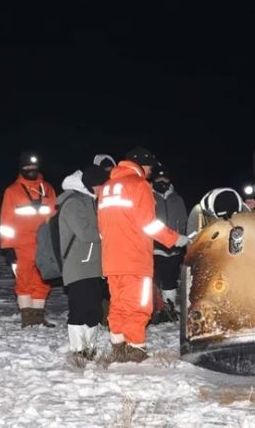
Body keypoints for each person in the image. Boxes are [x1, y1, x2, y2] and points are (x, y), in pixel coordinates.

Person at [98, 147, 188, 362]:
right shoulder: (139, 185)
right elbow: (148, 224)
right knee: (138, 306)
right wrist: (175, 239)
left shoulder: (107, 188)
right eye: (149, 167)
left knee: (118, 305)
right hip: (134, 260)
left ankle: (118, 347)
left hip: (111, 260)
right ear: (140, 165)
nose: (150, 172)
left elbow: (102, 227)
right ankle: (135, 350)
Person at [0, 151, 58, 327]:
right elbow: (6, 221)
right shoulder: (12, 191)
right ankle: (27, 317)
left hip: (44, 245)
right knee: (23, 280)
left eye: (34, 166)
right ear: (20, 168)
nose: (30, 169)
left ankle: (38, 316)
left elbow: (53, 217)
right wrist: (7, 248)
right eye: (27, 166)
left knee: (43, 280)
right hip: (21, 246)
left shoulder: (48, 189)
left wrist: (55, 241)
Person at [57, 164, 110, 359]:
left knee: (94, 310)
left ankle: (90, 348)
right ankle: (78, 351)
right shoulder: (73, 203)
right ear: (92, 185)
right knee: (80, 309)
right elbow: (86, 233)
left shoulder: (90, 201)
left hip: (94, 266)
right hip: (78, 266)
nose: (104, 190)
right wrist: (110, 233)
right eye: (101, 186)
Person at [150, 162, 187, 324]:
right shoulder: (148, 196)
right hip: (154, 247)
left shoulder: (176, 198)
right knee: (154, 281)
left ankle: (169, 308)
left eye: (165, 179)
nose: (163, 182)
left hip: (173, 247)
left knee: (171, 280)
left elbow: (184, 221)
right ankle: (154, 309)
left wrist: (182, 239)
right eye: (159, 178)